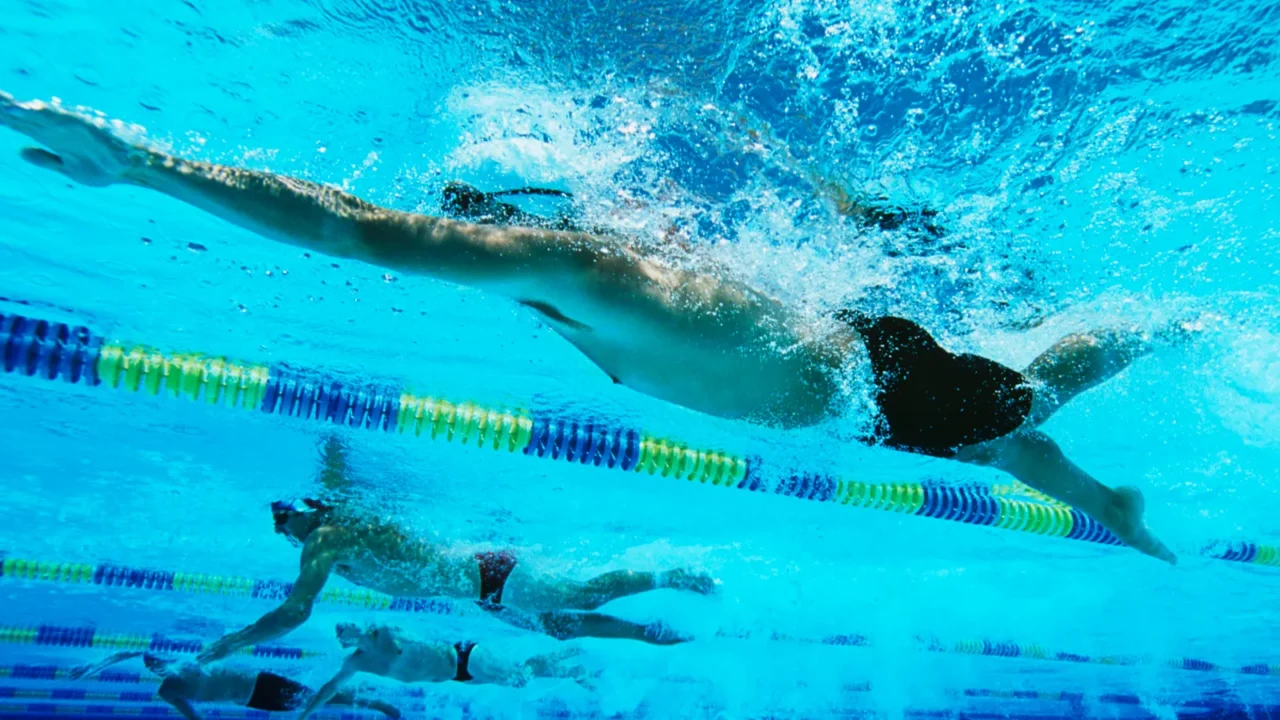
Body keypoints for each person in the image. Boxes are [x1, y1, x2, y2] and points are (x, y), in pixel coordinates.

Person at [0, 91, 1177, 563]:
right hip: (850, 401)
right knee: (1000, 447)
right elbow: (375, 227)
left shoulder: (582, 273)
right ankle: (1111, 502)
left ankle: (1167, 323)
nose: (450, 242)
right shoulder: (564, 283)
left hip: (881, 389)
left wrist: (149, 172)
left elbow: (355, 232)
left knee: (1042, 390)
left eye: (463, 227)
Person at [196, 436, 714, 664]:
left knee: (583, 595)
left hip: (489, 576)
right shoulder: (338, 512)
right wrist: (333, 437)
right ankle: (648, 633)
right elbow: (335, 469)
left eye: (281, 522)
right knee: (559, 625)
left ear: (298, 514)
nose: (283, 533)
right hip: (480, 588)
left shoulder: (325, 536)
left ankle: (667, 576)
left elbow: (294, 610)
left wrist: (234, 641)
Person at [297, 623, 595, 720]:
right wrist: (304, 714)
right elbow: (330, 687)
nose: (340, 637)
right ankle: (575, 671)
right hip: (459, 676)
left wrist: (373, 636)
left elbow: (400, 645)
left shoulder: (385, 634)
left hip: (467, 656)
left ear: (357, 628)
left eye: (343, 630)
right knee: (516, 677)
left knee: (519, 678)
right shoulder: (356, 662)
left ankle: (566, 649)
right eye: (339, 635)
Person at [68, 651, 400, 720]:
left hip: (258, 681)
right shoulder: (169, 691)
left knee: (314, 698)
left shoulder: (180, 664)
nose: (155, 667)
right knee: (312, 702)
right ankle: (372, 702)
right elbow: (195, 719)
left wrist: (92, 666)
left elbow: (130, 652)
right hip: (250, 695)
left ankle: (377, 704)